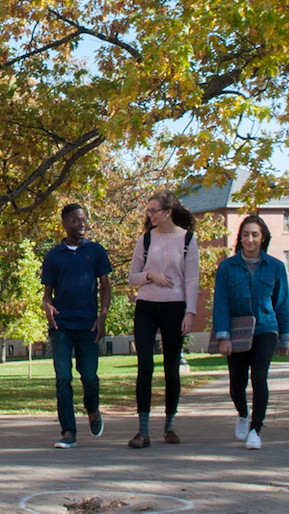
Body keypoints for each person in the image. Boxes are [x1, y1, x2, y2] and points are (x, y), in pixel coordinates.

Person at [127, 190, 200, 449]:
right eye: (148, 211)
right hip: (146, 306)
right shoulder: (145, 240)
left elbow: (192, 279)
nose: (150, 215)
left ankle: (169, 427)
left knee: (171, 368)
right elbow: (132, 276)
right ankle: (142, 431)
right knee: (145, 366)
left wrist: (190, 312)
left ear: (168, 212)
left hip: (175, 308)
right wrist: (150, 275)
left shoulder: (188, 240)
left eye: (153, 210)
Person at [212, 215, 289, 450]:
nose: (250, 239)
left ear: (263, 237)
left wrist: (285, 336)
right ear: (240, 238)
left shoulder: (276, 267)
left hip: (266, 328)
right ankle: (243, 413)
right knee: (237, 385)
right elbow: (221, 303)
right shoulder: (227, 267)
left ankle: (256, 430)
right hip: (237, 330)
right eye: (246, 234)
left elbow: (282, 303)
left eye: (255, 234)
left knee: (259, 377)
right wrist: (223, 336)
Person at [41, 203, 113, 449]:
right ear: (64, 223)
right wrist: (47, 306)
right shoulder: (53, 256)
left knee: (90, 377)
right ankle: (68, 431)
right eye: (75, 220)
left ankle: (92, 409)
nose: (81, 224)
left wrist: (102, 315)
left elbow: (105, 287)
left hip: (88, 326)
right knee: (63, 377)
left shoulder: (96, 251)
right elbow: (46, 294)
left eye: (84, 220)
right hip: (61, 326)